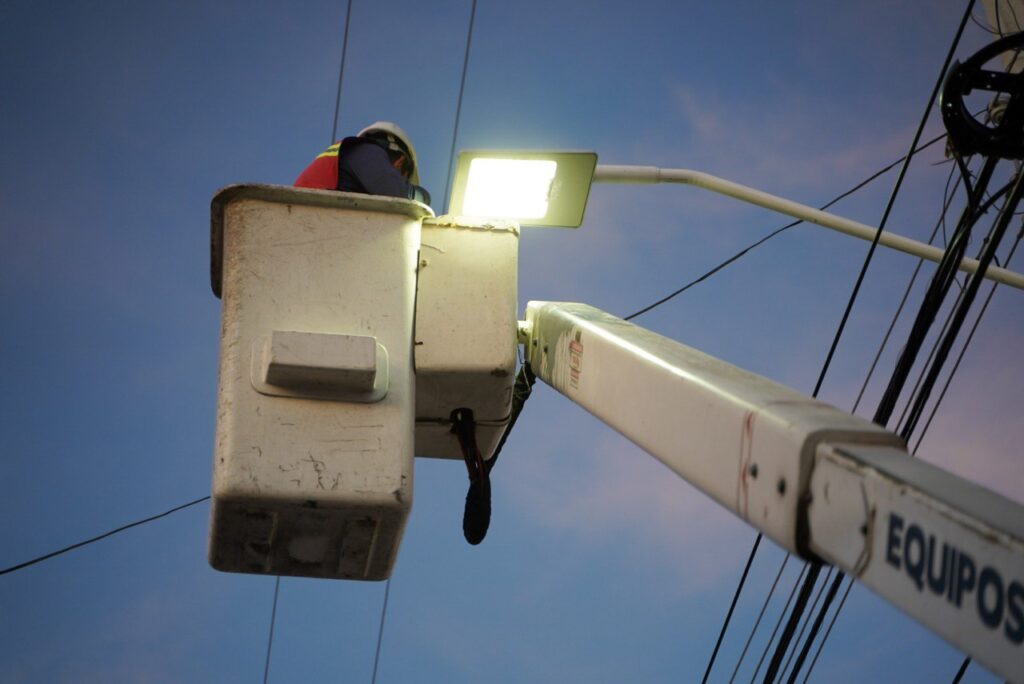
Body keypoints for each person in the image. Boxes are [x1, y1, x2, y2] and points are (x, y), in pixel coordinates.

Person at [294, 121, 431, 205]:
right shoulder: (367, 152)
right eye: (403, 178)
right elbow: (400, 194)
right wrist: (424, 198)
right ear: (400, 163)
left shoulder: (352, 159)